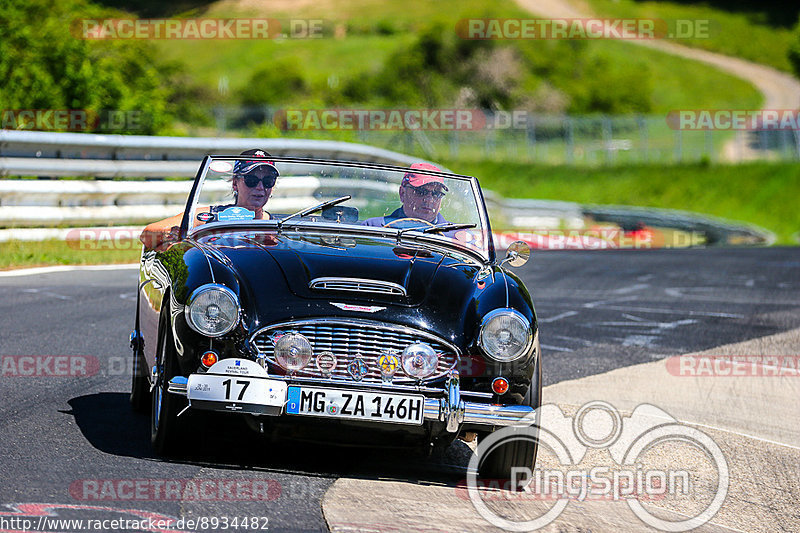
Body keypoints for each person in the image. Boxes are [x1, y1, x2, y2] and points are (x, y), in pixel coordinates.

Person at [139, 149, 277, 248]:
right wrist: (178, 236)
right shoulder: (209, 217)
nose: (260, 187)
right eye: (251, 180)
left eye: (268, 181)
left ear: (273, 186)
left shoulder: (281, 226)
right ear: (235, 183)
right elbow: (147, 235)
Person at [362, 162, 449, 227]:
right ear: (402, 193)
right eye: (421, 192)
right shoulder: (373, 227)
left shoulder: (456, 236)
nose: (429, 200)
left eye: (436, 194)